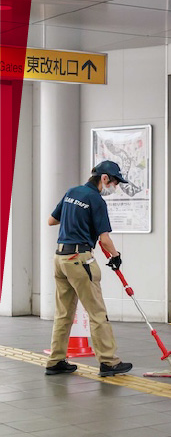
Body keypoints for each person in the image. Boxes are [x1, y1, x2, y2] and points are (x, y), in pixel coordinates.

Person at [45, 160, 133, 377]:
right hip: (80, 259)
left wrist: (76, 218)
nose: (115, 187)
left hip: (60, 258)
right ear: (104, 178)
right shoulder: (96, 200)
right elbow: (104, 239)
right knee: (97, 313)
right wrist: (116, 256)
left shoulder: (71, 192)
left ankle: (55, 360)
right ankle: (109, 362)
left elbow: (51, 220)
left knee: (64, 313)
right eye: (114, 182)